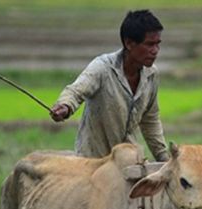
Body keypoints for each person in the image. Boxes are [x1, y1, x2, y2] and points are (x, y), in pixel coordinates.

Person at [50, 9, 169, 162]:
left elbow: (150, 120)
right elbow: (76, 91)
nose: (155, 51)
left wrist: (164, 159)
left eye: (158, 44)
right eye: (149, 44)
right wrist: (65, 106)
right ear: (129, 43)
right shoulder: (102, 68)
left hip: (128, 162)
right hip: (94, 161)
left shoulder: (151, 75)